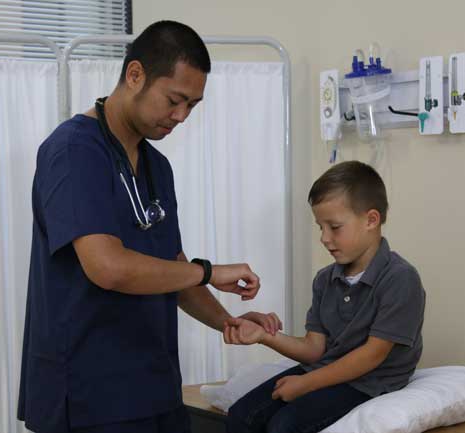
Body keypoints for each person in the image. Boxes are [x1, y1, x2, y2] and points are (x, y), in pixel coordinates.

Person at [17, 20, 282, 433]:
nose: (181, 116)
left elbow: (171, 267)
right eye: (174, 100)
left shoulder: (157, 166)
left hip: (154, 388)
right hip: (89, 394)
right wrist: (211, 271)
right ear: (135, 74)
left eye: (192, 105)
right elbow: (109, 267)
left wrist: (227, 320)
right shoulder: (73, 151)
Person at [224, 161, 426, 433]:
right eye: (320, 227)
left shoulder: (400, 278)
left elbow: (372, 356)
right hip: (325, 369)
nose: (324, 238)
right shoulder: (325, 279)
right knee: (241, 416)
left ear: (371, 220)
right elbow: (314, 349)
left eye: (334, 227)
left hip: (371, 381)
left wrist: (306, 384)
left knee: (285, 426)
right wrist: (264, 335)